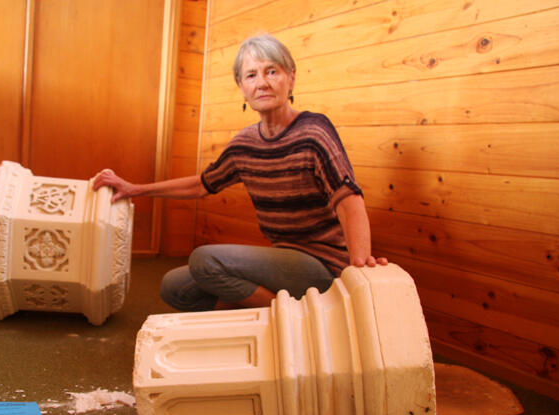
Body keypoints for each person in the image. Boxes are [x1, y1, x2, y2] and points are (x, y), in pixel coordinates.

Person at [92, 33, 387, 311]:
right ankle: (277, 311)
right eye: (251, 75)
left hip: (323, 266)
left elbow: (350, 202)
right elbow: (201, 185)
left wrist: (357, 274)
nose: (262, 83)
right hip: (282, 258)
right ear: (241, 87)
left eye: (272, 71)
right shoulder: (244, 145)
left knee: (205, 260)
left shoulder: (314, 132)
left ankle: (295, 317)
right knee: (175, 286)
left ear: (291, 79)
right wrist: (136, 189)